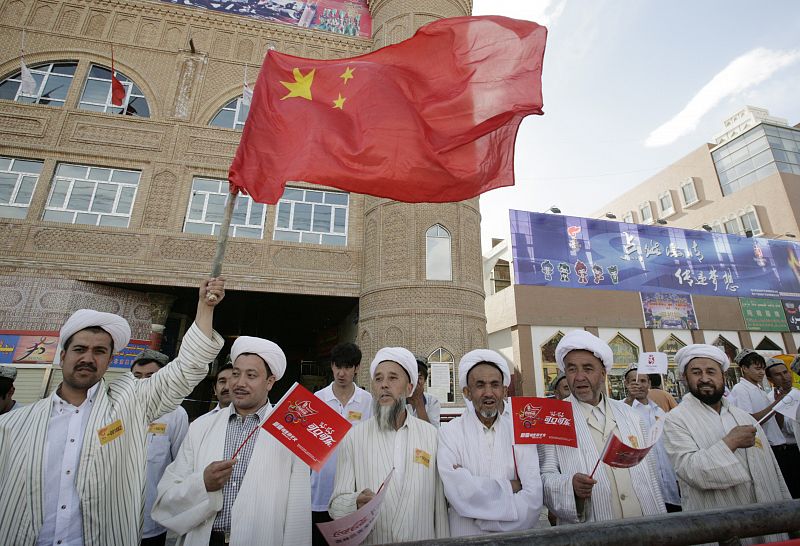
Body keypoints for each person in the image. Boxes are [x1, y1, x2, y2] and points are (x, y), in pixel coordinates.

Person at [0, 278, 226, 545]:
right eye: (79, 349)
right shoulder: (13, 425)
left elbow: (186, 368)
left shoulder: (129, 404)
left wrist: (204, 306)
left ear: (110, 360)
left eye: (99, 351)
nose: (87, 358)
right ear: (63, 356)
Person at [153, 335, 310, 545]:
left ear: (270, 382)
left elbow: (298, 513)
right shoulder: (200, 428)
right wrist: (203, 484)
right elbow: (165, 501)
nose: (239, 383)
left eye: (251, 375)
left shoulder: (292, 432)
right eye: (236, 374)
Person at [663, 344, 791, 545]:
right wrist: (730, 442)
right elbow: (691, 471)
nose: (704, 378)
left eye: (711, 371)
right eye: (696, 372)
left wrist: (787, 518)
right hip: (720, 530)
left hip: (767, 526)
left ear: (723, 376)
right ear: (684, 378)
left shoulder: (743, 416)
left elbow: (773, 473)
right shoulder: (676, 420)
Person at [540, 330, 665, 524]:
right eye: (572, 369)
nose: (579, 377)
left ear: (604, 374)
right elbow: (545, 478)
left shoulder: (631, 415)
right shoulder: (552, 419)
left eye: (588, 368)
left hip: (645, 530)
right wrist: (570, 487)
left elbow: (652, 475)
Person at [329, 347, 449, 543]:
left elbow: (440, 510)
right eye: (378, 379)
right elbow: (336, 505)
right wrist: (355, 501)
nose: (384, 385)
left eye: (393, 378)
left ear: (409, 388)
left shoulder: (431, 435)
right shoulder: (354, 437)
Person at [438, 349, 542, 536]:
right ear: (467, 392)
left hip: (513, 538)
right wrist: (511, 486)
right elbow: (458, 492)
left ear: (504, 391)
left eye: (495, 385)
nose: (488, 393)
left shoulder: (520, 430)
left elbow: (533, 501)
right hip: (465, 537)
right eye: (480, 385)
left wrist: (480, 515)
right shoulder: (449, 432)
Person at [310, 342, 372, 546]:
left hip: (352, 492)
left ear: (357, 368)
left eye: (347, 367)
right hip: (320, 490)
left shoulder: (367, 401)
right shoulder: (318, 400)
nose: (341, 372)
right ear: (332, 366)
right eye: (338, 366)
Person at [130, 349, 190, 546]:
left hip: (153, 519)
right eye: (137, 376)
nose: (142, 381)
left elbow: (181, 464)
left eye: (150, 376)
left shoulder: (176, 414)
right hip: (112, 517)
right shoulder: (117, 409)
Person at [623, 364, 681, 512]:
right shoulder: (621, 409)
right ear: (626, 384)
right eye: (633, 381)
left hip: (669, 482)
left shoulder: (659, 411)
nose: (639, 385)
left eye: (643, 381)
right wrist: (629, 401)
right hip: (644, 485)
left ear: (649, 383)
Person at [729, 350, 788, 455]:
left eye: (763, 369)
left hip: (780, 446)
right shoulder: (741, 389)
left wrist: (778, 404)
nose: (762, 372)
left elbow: (777, 425)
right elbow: (750, 422)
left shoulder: (760, 389)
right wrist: (776, 403)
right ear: (744, 369)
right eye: (757, 369)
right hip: (767, 449)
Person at [764, 357, 800, 498]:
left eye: (785, 372)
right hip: (789, 453)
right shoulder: (769, 400)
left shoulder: (797, 394)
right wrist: (778, 406)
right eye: (778, 375)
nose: (784, 377)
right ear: (770, 379)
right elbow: (780, 429)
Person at [406, 355, 441, 427]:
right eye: (412, 377)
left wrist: (418, 400)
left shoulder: (432, 401)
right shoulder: (397, 399)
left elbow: (433, 432)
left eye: (420, 377)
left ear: (425, 381)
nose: (415, 381)